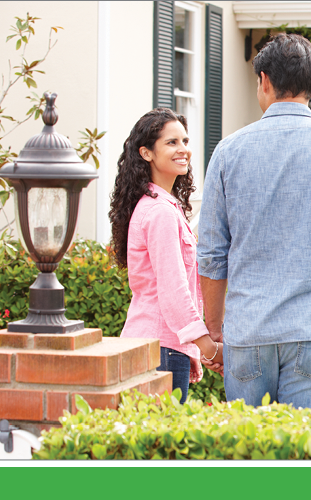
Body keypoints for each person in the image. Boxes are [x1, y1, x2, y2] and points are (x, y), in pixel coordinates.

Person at [197, 33, 311, 411]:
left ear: (264, 81)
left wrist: (215, 331)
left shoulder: (228, 150)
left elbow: (213, 253)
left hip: (249, 331)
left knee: (249, 457)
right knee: (307, 461)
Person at [109, 108, 224, 404]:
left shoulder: (161, 206)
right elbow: (173, 294)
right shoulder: (160, 212)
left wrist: (192, 349)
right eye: (171, 143)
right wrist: (208, 347)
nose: (183, 149)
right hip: (160, 348)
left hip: (158, 345)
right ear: (146, 153)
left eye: (184, 141)